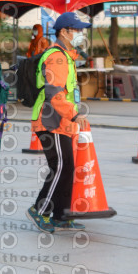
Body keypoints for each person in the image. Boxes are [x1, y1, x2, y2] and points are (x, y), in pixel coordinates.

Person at [26, 12, 91, 233]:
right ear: (64, 32)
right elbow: (54, 93)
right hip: (50, 120)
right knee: (60, 167)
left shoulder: (66, 56)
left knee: (66, 167)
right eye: (77, 30)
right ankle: (39, 209)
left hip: (60, 121)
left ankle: (61, 215)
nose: (80, 34)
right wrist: (74, 114)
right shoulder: (57, 57)